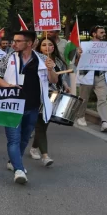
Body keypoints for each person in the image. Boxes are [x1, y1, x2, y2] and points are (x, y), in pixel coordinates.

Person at [0, 31, 58, 184]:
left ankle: (14, 161)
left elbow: (53, 80)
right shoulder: (8, 57)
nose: (13, 44)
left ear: (29, 43)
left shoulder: (42, 59)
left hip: (33, 106)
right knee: (13, 139)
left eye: (18, 41)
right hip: (12, 106)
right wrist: (8, 86)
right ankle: (19, 170)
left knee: (24, 139)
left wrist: (51, 69)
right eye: (13, 40)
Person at [29, 37, 71, 167]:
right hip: (39, 94)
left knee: (45, 124)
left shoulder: (59, 61)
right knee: (40, 124)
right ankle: (45, 156)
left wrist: (65, 84)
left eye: (50, 45)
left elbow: (59, 76)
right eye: (44, 45)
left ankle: (34, 147)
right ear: (39, 47)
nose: (47, 47)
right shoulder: (35, 59)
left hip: (54, 95)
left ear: (54, 47)